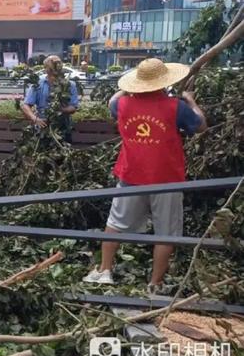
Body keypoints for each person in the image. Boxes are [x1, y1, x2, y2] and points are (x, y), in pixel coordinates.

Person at [83, 58, 206, 293]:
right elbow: (200, 126)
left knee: (115, 223)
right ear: (164, 81)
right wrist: (191, 101)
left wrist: (129, 87)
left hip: (131, 175)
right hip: (166, 179)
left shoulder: (122, 105)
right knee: (166, 232)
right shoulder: (176, 107)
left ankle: (105, 270)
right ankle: (155, 283)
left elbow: (112, 100)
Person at [21, 54, 79, 141]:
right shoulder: (38, 83)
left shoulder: (70, 85)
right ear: (46, 69)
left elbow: (73, 107)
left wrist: (61, 109)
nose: (56, 67)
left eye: (58, 64)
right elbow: (26, 105)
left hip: (62, 127)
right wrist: (35, 119)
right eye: (53, 65)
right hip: (42, 126)